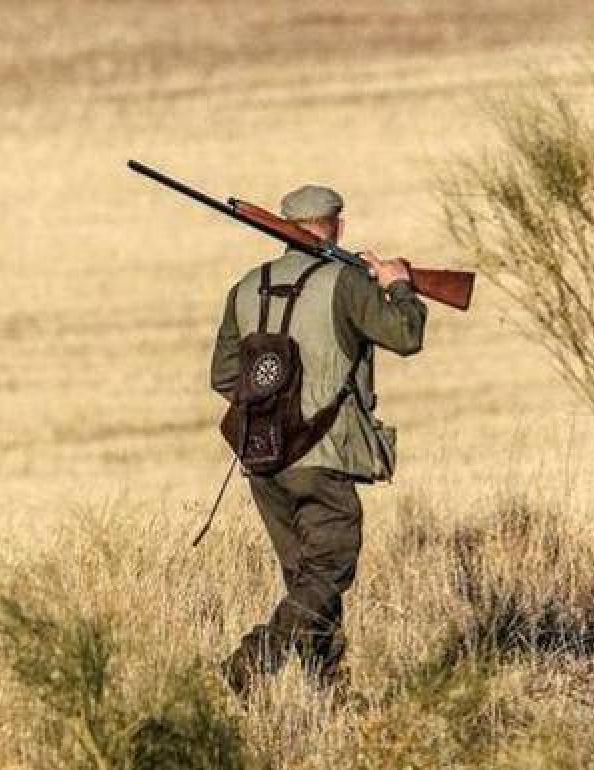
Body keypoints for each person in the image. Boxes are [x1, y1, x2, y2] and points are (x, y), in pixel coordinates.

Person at [208, 184, 427, 694]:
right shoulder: (344, 283)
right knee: (329, 568)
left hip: (263, 458)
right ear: (338, 227)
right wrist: (397, 285)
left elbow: (224, 376)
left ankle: (326, 690)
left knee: (307, 578)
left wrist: (274, 402)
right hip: (323, 453)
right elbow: (406, 335)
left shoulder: (246, 286)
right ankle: (251, 662)